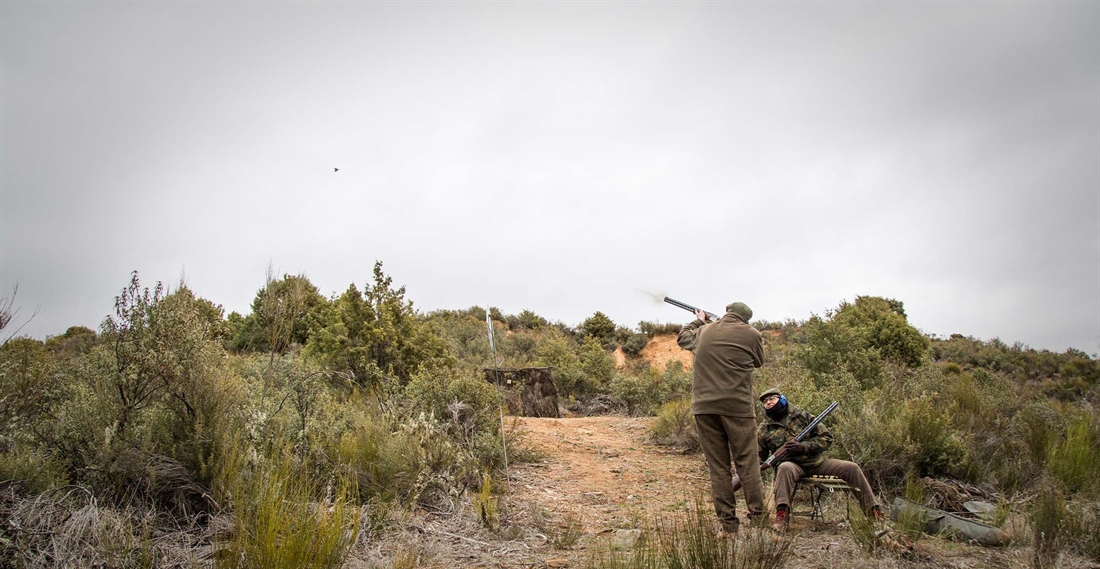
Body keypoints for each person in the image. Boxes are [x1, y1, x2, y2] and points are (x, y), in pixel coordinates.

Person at [677, 302, 766, 535]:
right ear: (746, 318)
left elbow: (683, 338)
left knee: (719, 469)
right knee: (748, 464)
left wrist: (700, 320)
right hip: (738, 408)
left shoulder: (705, 330)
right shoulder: (752, 334)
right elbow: (759, 361)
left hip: (705, 408)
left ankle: (728, 526)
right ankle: (758, 520)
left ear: (727, 313)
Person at [756, 388, 882, 531]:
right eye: (765, 402)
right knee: (784, 468)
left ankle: (874, 513)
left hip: (817, 462)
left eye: (772, 398)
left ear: (782, 399)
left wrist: (803, 447)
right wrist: (758, 467)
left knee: (852, 468)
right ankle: (781, 518)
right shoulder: (764, 429)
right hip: (792, 465)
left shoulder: (803, 417)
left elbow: (827, 439)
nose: (769, 403)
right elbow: (759, 456)